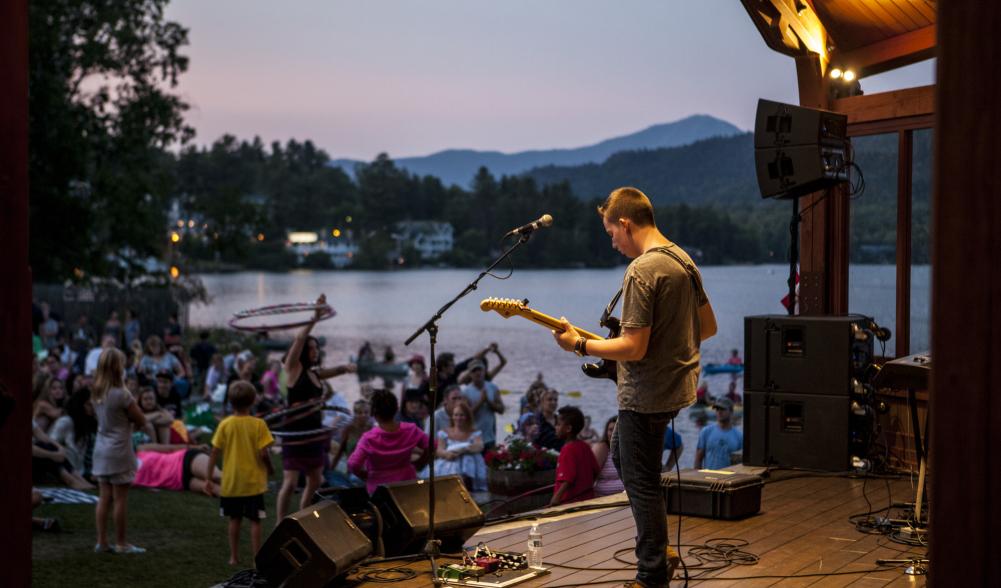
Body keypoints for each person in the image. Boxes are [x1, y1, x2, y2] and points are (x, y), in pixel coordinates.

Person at [553, 187, 717, 588]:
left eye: (611, 232)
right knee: (624, 459)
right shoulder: (683, 259)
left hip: (645, 395)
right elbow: (707, 328)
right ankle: (661, 551)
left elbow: (633, 346)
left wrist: (578, 343)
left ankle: (651, 574)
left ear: (626, 224)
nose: (612, 242)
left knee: (640, 480)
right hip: (674, 388)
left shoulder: (643, 270)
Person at [276, 294, 354, 521]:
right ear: (301, 352)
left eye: (316, 348)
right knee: (290, 482)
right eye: (311, 348)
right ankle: (281, 522)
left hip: (313, 433)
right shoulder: (293, 370)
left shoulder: (314, 373)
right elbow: (300, 338)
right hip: (294, 432)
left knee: (316, 480)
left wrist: (347, 368)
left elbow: (336, 371)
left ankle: (301, 516)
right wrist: (315, 317)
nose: (315, 351)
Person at [205, 381, 275, 565]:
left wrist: (208, 478)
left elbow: (214, 452)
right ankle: (256, 559)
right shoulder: (259, 424)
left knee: (234, 519)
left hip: (232, 483)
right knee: (255, 521)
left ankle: (233, 557)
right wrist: (270, 468)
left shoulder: (225, 425)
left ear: (230, 401)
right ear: (253, 401)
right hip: (253, 484)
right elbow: (263, 453)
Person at [92, 347, 148, 554]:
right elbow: (141, 419)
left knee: (104, 497)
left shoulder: (96, 391)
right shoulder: (122, 394)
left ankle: (101, 541)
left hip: (101, 448)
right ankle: (122, 543)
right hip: (119, 450)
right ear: (118, 367)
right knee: (120, 498)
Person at [348, 389, 432, 495]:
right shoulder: (411, 429)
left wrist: (365, 476)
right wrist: (421, 463)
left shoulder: (368, 438)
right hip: (407, 485)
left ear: (373, 413)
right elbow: (431, 445)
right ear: (396, 409)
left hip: (379, 491)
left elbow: (353, 464)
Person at [549, 406, 601, 506]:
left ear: (568, 428)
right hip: (588, 500)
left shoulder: (567, 449)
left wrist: (556, 498)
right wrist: (585, 487)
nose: (556, 427)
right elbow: (596, 471)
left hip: (569, 504)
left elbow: (568, 479)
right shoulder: (585, 446)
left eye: (558, 424)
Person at [434, 400, 488, 492]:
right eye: (456, 415)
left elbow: (479, 446)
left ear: (467, 417)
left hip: (470, 467)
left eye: (462, 415)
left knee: (468, 461)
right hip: (449, 464)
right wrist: (447, 454)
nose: (458, 418)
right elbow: (439, 450)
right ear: (452, 416)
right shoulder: (444, 432)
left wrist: (463, 449)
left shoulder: (474, 433)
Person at [461, 358, 504, 451]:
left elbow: (502, 410)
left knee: (491, 464)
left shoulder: (493, 387)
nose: (477, 373)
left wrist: (489, 402)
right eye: (474, 371)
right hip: (473, 438)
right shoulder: (466, 392)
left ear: (484, 371)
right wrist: (481, 402)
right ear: (470, 374)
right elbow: (465, 416)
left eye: (479, 369)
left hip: (490, 437)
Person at [694, 398, 742, 470]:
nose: (719, 412)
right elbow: (698, 460)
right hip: (708, 478)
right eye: (717, 409)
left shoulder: (739, 436)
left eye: (722, 409)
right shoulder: (706, 431)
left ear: (731, 411)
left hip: (728, 479)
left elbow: (741, 464)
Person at [592, 416, 625, 496]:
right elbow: (590, 476)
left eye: (617, 429)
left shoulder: (629, 450)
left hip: (626, 499)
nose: (613, 432)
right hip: (604, 499)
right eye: (610, 429)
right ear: (606, 432)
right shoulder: (602, 448)